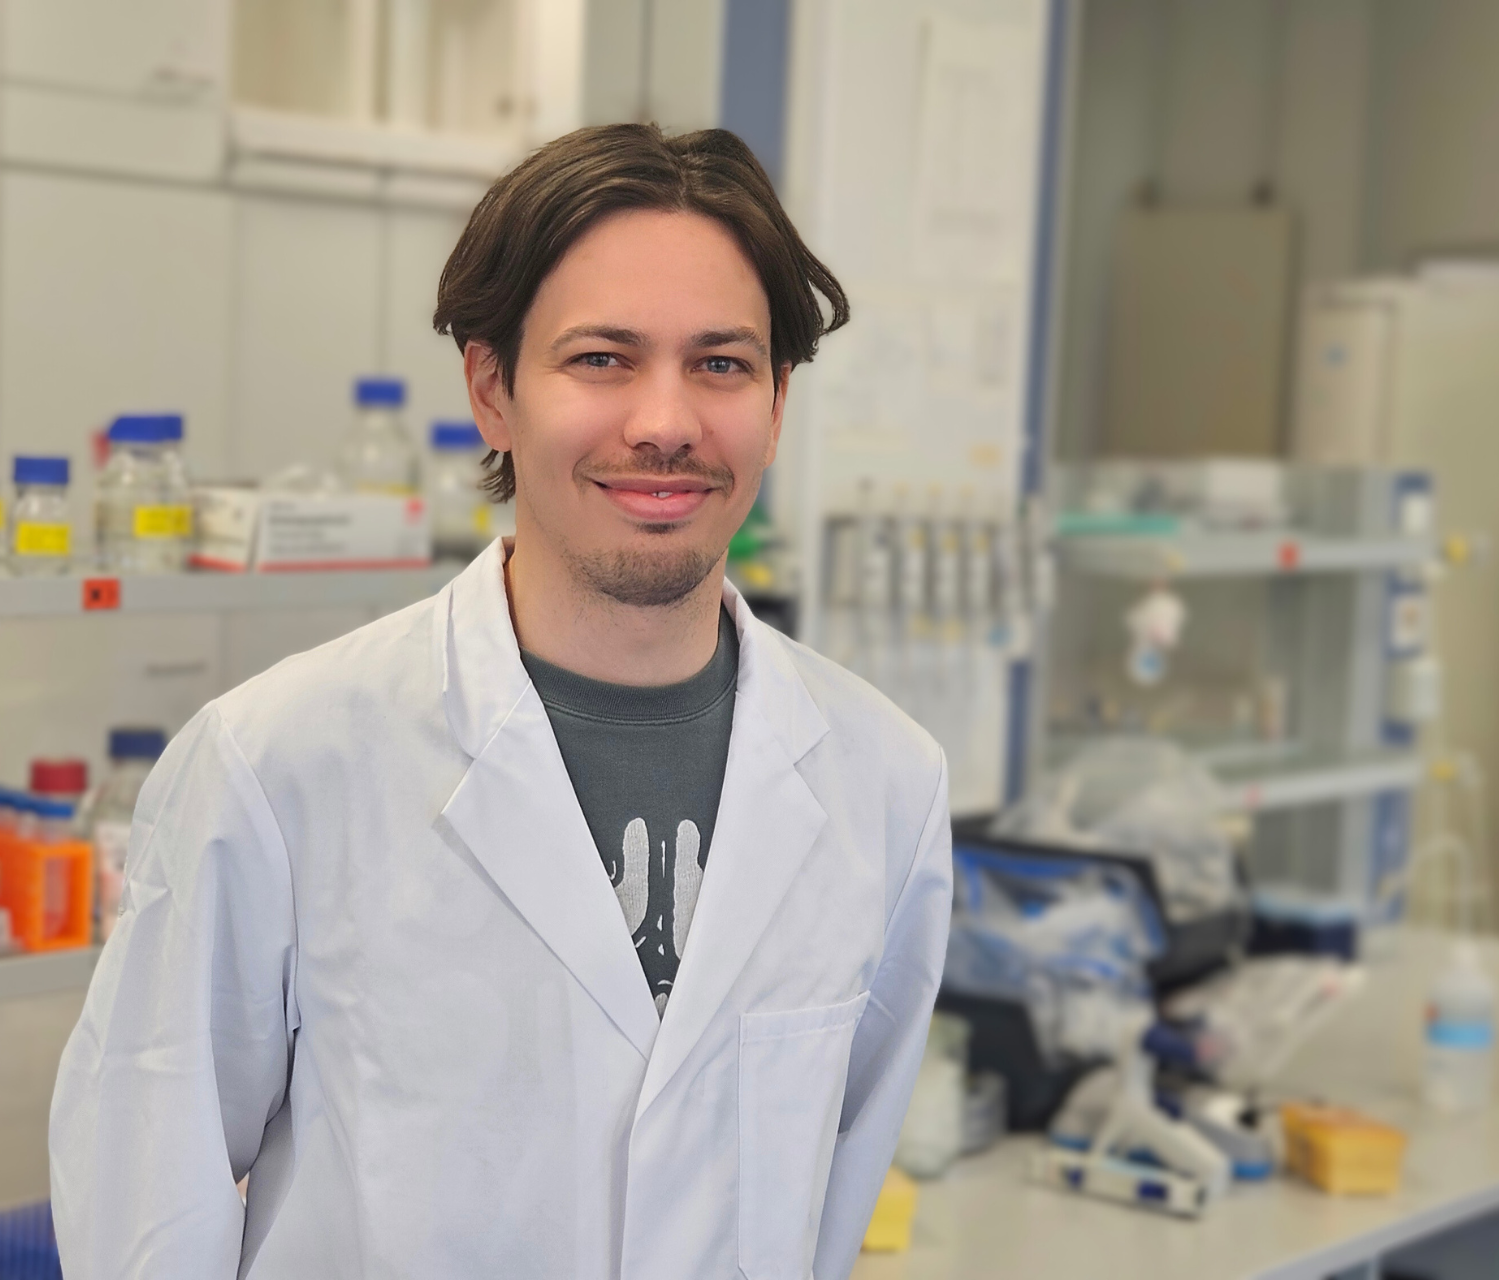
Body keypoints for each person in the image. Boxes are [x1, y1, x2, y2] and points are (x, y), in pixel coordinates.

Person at [50, 123, 952, 1280]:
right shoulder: (278, 763)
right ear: (492, 390)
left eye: (721, 364)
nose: (665, 421)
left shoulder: (887, 783)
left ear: (777, 401)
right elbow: (143, 1202)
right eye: (603, 358)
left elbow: (830, 1206)